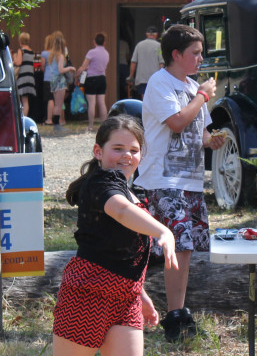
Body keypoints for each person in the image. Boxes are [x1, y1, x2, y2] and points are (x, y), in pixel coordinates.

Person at [54, 115, 179, 356]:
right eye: (118, 148)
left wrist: (140, 294)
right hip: (88, 294)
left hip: (126, 299)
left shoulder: (128, 191)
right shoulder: (101, 183)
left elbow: (121, 252)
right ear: (98, 152)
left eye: (134, 150)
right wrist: (163, 231)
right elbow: (120, 211)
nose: (127, 155)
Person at [133, 24, 226, 342]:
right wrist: (203, 96)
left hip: (190, 181)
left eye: (201, 53)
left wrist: (211, 140)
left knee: (185, 249)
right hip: (163, 178)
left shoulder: (192, 86)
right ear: (176, 54)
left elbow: (198, 130)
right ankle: (172, 315)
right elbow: (176, 122)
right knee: (177, 244)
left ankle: (177, 310)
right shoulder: (160, 82)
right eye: (195, 53)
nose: (201, 59)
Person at [76, 32, 110, 132]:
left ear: (94, 42)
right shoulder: (106, 53)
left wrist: (77, 76)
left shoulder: (91, 52)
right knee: (102, 102)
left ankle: (91, 125)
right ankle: (104, 125)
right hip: (102, 78)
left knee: (92, 103)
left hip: (91, 78)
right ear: (104, 42)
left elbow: (84, 66)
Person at [46, 32, 76, 131]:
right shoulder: (61, 56)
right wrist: (70, 68)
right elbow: (60, 70)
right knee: (59, 104)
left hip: (53, 80)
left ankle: (56, 124)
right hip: (60, 81)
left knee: (56, 103)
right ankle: (57, 124)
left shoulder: (51, 56)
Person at [128, 26, 164, 100]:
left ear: (146, 34)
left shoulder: (139, 45)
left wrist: (131, 77)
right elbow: (161, 63)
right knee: (154, 98)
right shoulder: (159, 46)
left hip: (142, 78)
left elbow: (133, 62)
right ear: (156, 34)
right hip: (155, 78)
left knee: (144, 98)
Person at [13, 32, 41, 117]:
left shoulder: (21, 50)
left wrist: (13, 60)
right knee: (26, 100)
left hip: (22, 77)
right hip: (30, 77)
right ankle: (24, 117)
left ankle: (23, 118)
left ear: (20, 40)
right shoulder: (31, 51)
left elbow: (18, 62)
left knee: (22, 100)